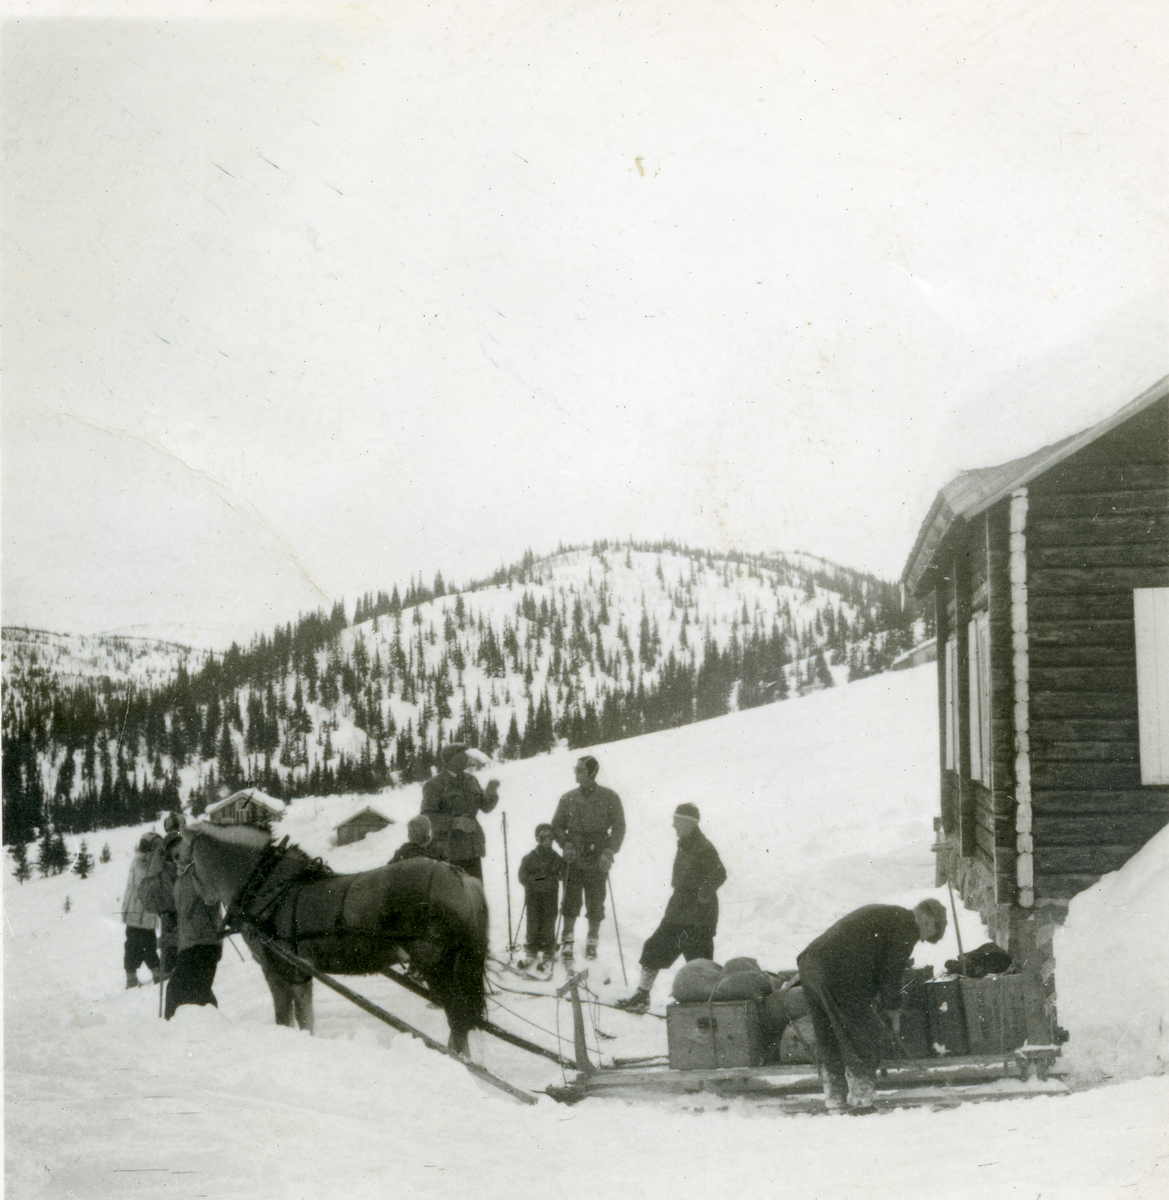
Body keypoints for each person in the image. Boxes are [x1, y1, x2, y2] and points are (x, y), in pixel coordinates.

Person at [795, 898, 948, 1112]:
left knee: (828, 1035)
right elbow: (891, 974)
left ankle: (835, 1099)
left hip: (810, 963)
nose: (919, 941)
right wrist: (893, 1012)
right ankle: (861, 1101)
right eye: (926, 937)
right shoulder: (907, 926)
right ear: (929, 921)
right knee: (864, 1034)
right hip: (836, 972)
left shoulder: (889, 916)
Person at [616, 803, 725, 1011]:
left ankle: (704, 1007)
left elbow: (719, 873)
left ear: (688, 823)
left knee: (699, 962)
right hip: (679, 909)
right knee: (654, 948)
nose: (673, 825)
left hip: (698, 914)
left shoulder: (703, 846)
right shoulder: (686, 843)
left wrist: (703, 893)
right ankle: (642, 995)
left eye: (677, 821)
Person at [551, 755, 625, 961]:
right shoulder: (567, 798)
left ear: (591, 773)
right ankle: (567, 942)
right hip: (573, 857)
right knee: (570, 901)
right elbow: (556, 825)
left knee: (595, 902)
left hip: (598, 857)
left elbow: (619, 827)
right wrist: (565, 844)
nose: (576, 773)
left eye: (580, 770)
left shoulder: (610, 797)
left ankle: (592, 943)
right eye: (576, 769)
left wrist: (609, 851)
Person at [164, 835, 224, 1019]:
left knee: (180, 991)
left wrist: (197, 872)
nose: (176, 857)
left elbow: (211, 897)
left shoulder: (200, 869)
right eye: (172, 855)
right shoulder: (179, 880)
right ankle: (215, 1025)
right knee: (195, 993)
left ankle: (173, 1030)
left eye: (179, 850)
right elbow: (183, 916)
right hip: (188, 945)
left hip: (205, 942)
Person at [420, 743, 500, 880]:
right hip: (448, 851)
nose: (466, 757)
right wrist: (455, 822)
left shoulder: (471, 780)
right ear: (451, 759)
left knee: (475, 892)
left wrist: (491, 792)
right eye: (462, 754)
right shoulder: (434, 785)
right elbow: (427, 817)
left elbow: (485, 807)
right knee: (454, 895)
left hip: (472, 848)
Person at [516, 824, 565, 975]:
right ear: (538, 838)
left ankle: (548, 951)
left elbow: (562, 875)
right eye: (543, 838)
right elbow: (522, 876)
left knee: (549, 922)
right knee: (533, 921)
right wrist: (533, 881)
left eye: (550, 838)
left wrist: (566, 866)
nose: (547, 841)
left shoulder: (556, 858)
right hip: (533, 896)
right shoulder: (529, 858)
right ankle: (531, 950)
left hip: (550, 896)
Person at [121, 834, 162, 989]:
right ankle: (156, 973)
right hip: (139, 912)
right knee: (146, 944)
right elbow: (148, 878)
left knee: (135, 944)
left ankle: (132, 978)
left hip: (139, 913)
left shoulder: (143, 860)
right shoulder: (140, 862)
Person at [141, 831, 182, 980]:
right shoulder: (159, 866)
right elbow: (149, 893)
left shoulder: (184, 863)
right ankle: (168, 973)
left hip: (182, 908)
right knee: (171, 944)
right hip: (168, 910)